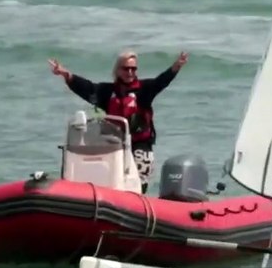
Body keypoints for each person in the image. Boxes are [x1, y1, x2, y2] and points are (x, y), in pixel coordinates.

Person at [48, 49, 189, 194]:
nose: (129, 72)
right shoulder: (107, 92)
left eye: (133, 69)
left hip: (140, 145)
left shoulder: (145, 89)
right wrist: (67, 75)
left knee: (139, 179)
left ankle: (138, 200)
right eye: (126, 68)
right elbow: (87, 88)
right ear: (118, 70)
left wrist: (176, 66)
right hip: (115, 144)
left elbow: (161, 81)